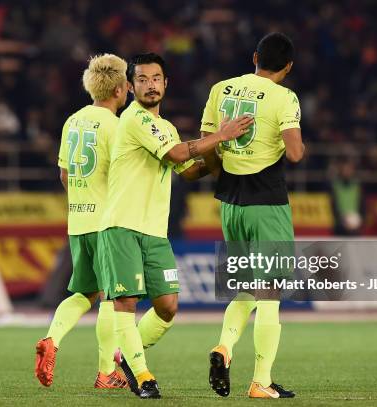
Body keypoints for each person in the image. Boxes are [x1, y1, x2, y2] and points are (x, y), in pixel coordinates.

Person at [98, 52, 254, 399]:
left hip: (154, 231)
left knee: (167, 306)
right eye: (141, 79)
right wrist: (221, 134)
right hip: (122, 224)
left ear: (166, 83)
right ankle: (142, 376)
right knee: (126, 302)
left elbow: (190, 168)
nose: (150, 85)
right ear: (129, 86)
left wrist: (227, 153)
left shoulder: (165, 128)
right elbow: (177, 155)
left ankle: (127, 354)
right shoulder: (135, 118)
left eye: (156, 79)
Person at [200, 32, 305, 399]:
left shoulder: (221, 89)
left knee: (245, 288)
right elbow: (294, 154)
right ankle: (261, 380)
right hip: (267, 202)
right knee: (270, 293)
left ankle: (224, 347)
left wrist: (223, 173)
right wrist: (295, 140)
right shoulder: (284, 97)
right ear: (288, 67)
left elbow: (207, 144)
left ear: (255, 57)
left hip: (230, 201)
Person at [35, 54, 129, 389]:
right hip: (107, 223)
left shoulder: (73, 121)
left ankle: (51, 338)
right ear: (120, 88)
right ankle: (105, 372)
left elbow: (64, 174)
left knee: (83, 292)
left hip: (78, 220)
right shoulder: (116, 126)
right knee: (109, 296)